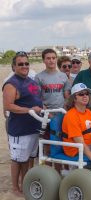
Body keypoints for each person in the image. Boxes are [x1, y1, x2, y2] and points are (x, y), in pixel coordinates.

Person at [2, 52, 43, 196]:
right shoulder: (11, 83)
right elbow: (8, 106)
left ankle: (25, 182)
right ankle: (15, 188)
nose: (24, 66)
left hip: (34, 128)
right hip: (20, 130)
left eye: (26, 63)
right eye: (20, 64)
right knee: (17, 160)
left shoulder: (32, 82)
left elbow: (37, 100)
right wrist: (30, 110)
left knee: (28, 159)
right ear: (14, 67)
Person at [62, 83, 91, 175]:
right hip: (77, 149)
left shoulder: (89, 112)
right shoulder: (71, 116)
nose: (85, 96)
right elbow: (81, 144)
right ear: (74, 98)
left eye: (87, 94)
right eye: (81, 94)